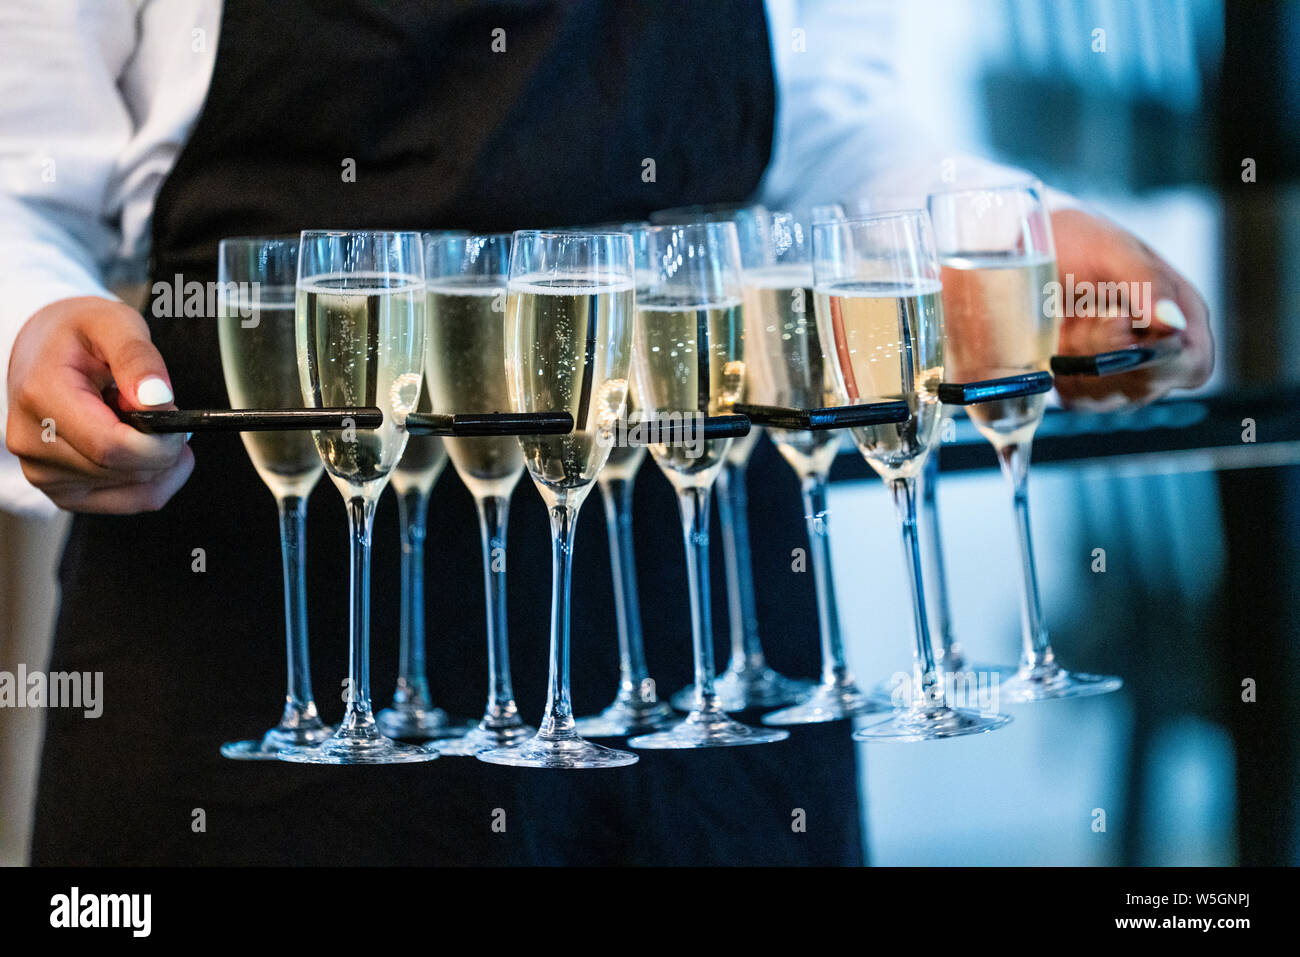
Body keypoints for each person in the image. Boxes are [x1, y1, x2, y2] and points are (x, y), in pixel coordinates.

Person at [1, 0, 1210, 865]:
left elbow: (818, 131)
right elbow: (22, 176)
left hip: (707, 627)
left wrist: (1011, 244)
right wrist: (31, 323)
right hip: (262, 619)